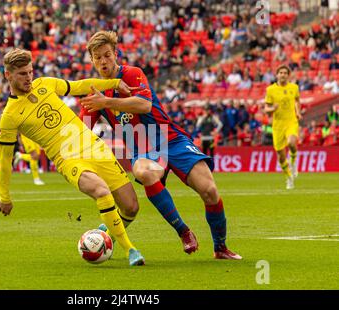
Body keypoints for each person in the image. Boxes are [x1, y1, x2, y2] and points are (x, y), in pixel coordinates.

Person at [79, 31, 241, 260]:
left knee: (210, 191)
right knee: (144, 172)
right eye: (98, 57)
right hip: (143, 150)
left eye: (107, 55)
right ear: (92, 60)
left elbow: (144, 105)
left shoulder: (132, 74)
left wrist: (105, 102)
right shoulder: (93, 91)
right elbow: (81, 128)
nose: (103, 61)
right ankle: (183, 231)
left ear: (116, 54)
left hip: (170, 139)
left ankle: (221, 248)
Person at [0, 48, 145, 266]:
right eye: (22, 74)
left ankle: (106, 232)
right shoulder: (9, 117)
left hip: (93, 146)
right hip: (68, 159)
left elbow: (79, 87)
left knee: (131, 207)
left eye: (30, 72)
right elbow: (5, 158)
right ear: (8, 75)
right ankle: (130, 250)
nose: (28, 77)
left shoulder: (45, 83)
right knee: (101, 191)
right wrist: (4, 196)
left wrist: (113, 83)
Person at [264, 65, 302, 189]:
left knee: (292, 143)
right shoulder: (270, 90)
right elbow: (266, 108)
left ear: (288, 75)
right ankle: (289, 177)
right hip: (278, 125)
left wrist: (298, 112)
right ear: (277, 75)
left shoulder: (294, 88)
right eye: (281, 72)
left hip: (291, 121)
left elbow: (297, 101)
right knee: (280, 155)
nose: (283, 75)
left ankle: (294, 163)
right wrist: (272, 108)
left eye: (285, 73)